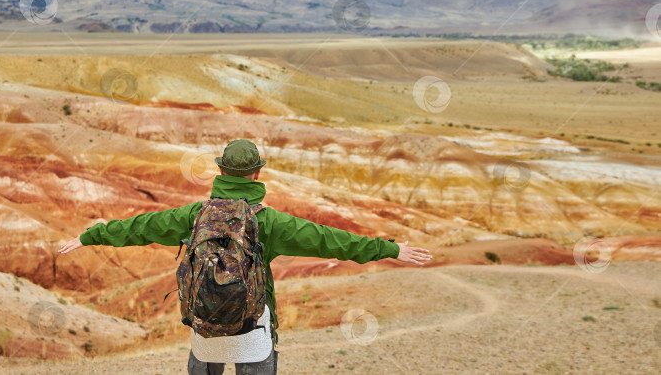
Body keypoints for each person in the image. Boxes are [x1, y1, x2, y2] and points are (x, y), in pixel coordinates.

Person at [58, 139, 431, 374]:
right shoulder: (268, 221)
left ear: (221, 170)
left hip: (204, 331)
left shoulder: (195, 215)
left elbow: (140, 227)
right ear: (256, 174)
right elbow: (331, 241)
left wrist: (91, 236)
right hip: (253, 333)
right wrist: (391, 248)